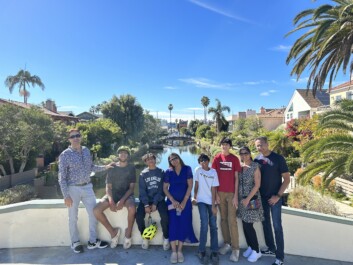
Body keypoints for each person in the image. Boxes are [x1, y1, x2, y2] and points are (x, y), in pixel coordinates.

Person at [58, 128, 110, 253]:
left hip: (87, 187)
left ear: (81, 137)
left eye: (77, 135)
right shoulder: (65, 154)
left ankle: (92, 241)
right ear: (69, 139)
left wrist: (106, 167)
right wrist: (66, 195)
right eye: (73, 136)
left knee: (93, 213)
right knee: (72, 217)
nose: (76, 138)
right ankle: (75, 242)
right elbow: (62, 177)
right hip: (72, 188)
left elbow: (91, 167)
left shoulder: (86, 150)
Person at [254, 137, 290, 265]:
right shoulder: (257, 160)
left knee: (277, 227)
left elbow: (286, 179)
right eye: (257, 146)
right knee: (266, 225)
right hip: (262, 198)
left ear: (267, 144)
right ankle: (271, 248)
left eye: (262, 145)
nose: (260, 147)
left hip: (275, 198)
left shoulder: (278, 159)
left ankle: (280, 258)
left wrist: (278, 196)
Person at [93, 146, 136, 249]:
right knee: (96, 210)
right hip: (113, 194)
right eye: (121, 153)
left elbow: (131, 188)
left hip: (126, 195)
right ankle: (113, 233)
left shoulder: (131, 168)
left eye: (125, 153)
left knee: (132, 208)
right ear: (118, 155)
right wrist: (111, 200)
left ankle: (128, 233)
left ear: (128, 156)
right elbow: (108, 187)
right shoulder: (112, 168)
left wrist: (122, 201)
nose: (123, 155)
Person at [163, 153, 198, 264]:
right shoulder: (168, 172)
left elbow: (190, 186)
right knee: (173, 224)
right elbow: (165, 188)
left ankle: (180, 250)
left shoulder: (187, 169)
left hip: (185, 202)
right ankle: (173, 251)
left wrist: (184, 201)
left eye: (175, 158)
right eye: (171, 159)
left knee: (183, 224)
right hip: (172, 202)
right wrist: (173, 200)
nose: (174, 161)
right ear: (170, 162)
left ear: (179, 158)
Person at [211, 137, 241, 262]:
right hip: (220, 193)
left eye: (226, 144)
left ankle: (235, 249)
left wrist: (235, 196)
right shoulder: (217, 158)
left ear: (230, 146)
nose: (224, 146)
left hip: (231, 194)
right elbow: (213, 176)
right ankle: (227, 244)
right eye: (222, 144)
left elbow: (236, 178)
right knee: (223, 220)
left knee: (232, 220)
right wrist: (216, 194)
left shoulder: (234, 159)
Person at [136, 153, 170, 251]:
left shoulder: (161, 172)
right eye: (148, 160)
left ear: (155, 160)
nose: (150, 161)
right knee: (138, 217)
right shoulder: (143, 174)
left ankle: (166, 237)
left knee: (165, 216)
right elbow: (142, 191)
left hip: (158, 199)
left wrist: (155, 203)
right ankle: (145, 236)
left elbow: (161, 190)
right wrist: (146, 204)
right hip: (146, 200)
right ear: (145, 162)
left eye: (152, 159)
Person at [237, 146, 264, 263]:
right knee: (244, 223)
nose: (244, 156)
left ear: (250, 154)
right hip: (242, 200)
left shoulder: (255, 166)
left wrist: (247, 199)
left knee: (249, 225)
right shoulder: (241, 167)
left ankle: (257, 251)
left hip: (251, 199)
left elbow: (257, 185)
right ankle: (251, 247)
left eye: (246, 153)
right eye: (242, 154)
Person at [193, 153, 219, 265]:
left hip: (211, 201)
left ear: (209, 161)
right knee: (204, 224)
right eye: (201, 161)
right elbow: (196, 185)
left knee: (213, 226)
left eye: (205, 160)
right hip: (201, 201)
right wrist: (194, 197)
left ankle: (214, 251)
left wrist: (213, 206)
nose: (203, 162)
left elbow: (214, 190)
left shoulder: (213, 172)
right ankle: (201, 250)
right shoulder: (198, 170)